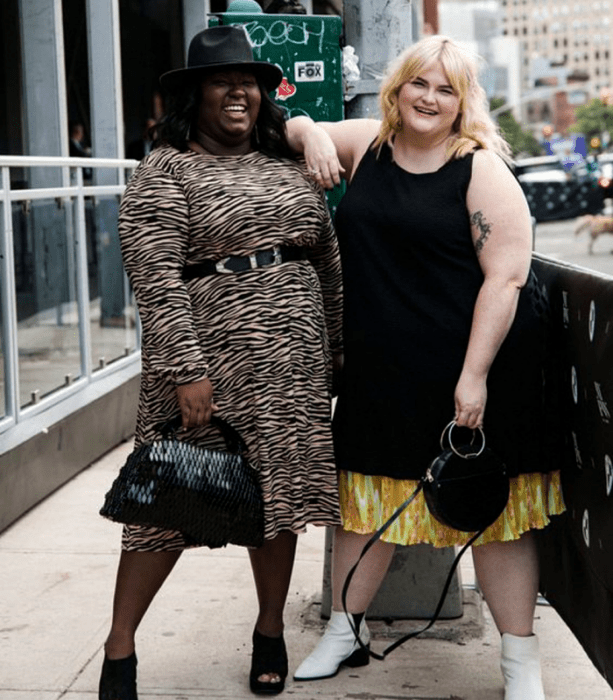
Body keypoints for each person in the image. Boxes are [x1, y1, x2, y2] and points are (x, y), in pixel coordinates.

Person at [285, 35, 565, 700]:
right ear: (398, 87)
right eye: (419, 83)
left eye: (446, 88)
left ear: (463, 101)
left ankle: (518, 661)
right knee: (363, 505)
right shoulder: (365, 144)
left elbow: (505, 279)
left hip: (475, 364)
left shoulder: (480, 168)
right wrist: (308, 132)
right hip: (382, 367)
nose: (429, 98)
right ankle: (345, 631)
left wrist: (471, 379)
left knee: (491, 514)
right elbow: (287, 124)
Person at [98, 25, 343, 700]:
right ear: (194, 95)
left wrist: (335, 356)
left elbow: (326, 263)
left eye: (250, 82)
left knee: (280, 503)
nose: (239, 92)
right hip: (207, 367)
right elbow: (154, 278)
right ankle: (120, 645)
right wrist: (185, 369)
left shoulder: (285, 165)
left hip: (292, 366)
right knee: (166, 507)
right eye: (221, 81)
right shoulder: (165, 170)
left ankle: (268, 631)